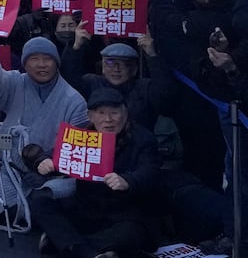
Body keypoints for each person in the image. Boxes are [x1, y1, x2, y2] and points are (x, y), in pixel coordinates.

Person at [0, 29, 89, 221]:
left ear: (57, 63)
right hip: (9, 165)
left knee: (57, 191)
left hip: (49, 172)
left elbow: (76, 150)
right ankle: (4, 208)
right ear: (25, 63)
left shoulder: (74, 101)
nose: (41, 65)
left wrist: (49, 167)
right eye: (34, 59)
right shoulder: (16, 82)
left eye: (48, 59)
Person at [26, 89, 160, 258]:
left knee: (133, 233)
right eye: (101, 113)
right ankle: (89, 251)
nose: (108, 119)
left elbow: (151, 172)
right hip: (86, 208)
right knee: (40, 202)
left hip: (124, 213)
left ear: (125, 113)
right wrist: (42, 161)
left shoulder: (143, 139)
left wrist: (128, 181)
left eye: (114, 113)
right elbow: (54, 155)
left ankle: (67, 243)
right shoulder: (83, 135)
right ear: (90, 116)